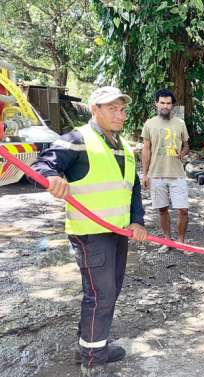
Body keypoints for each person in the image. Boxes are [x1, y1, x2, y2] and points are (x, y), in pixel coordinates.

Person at [31, 86, 148, 377]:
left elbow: (130, 188)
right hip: (90, 233)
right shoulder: (77, 140)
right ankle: (93, 362)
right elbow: (42, 165)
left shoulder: (121, 145)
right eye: (112, 109)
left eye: (122, 109)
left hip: (119, 232)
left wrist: (138, 221)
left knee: (109, 292)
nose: (120, 115)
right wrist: (52, 178)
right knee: (101, 295)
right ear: (94, 109)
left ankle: (89, 347)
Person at [141, 89, 189, 252]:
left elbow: (186, 145)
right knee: (162, 209)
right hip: (156, 174)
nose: (165, 106)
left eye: (168, 103)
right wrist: (145, 174)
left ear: (172, 105)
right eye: (162, 102)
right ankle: (168, 241)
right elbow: (146, 149)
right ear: (156, 103)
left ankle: (181, 241)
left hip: (177, 174)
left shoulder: (180, 123)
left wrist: (182, 153)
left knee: (182, 210)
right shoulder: (149, 124)